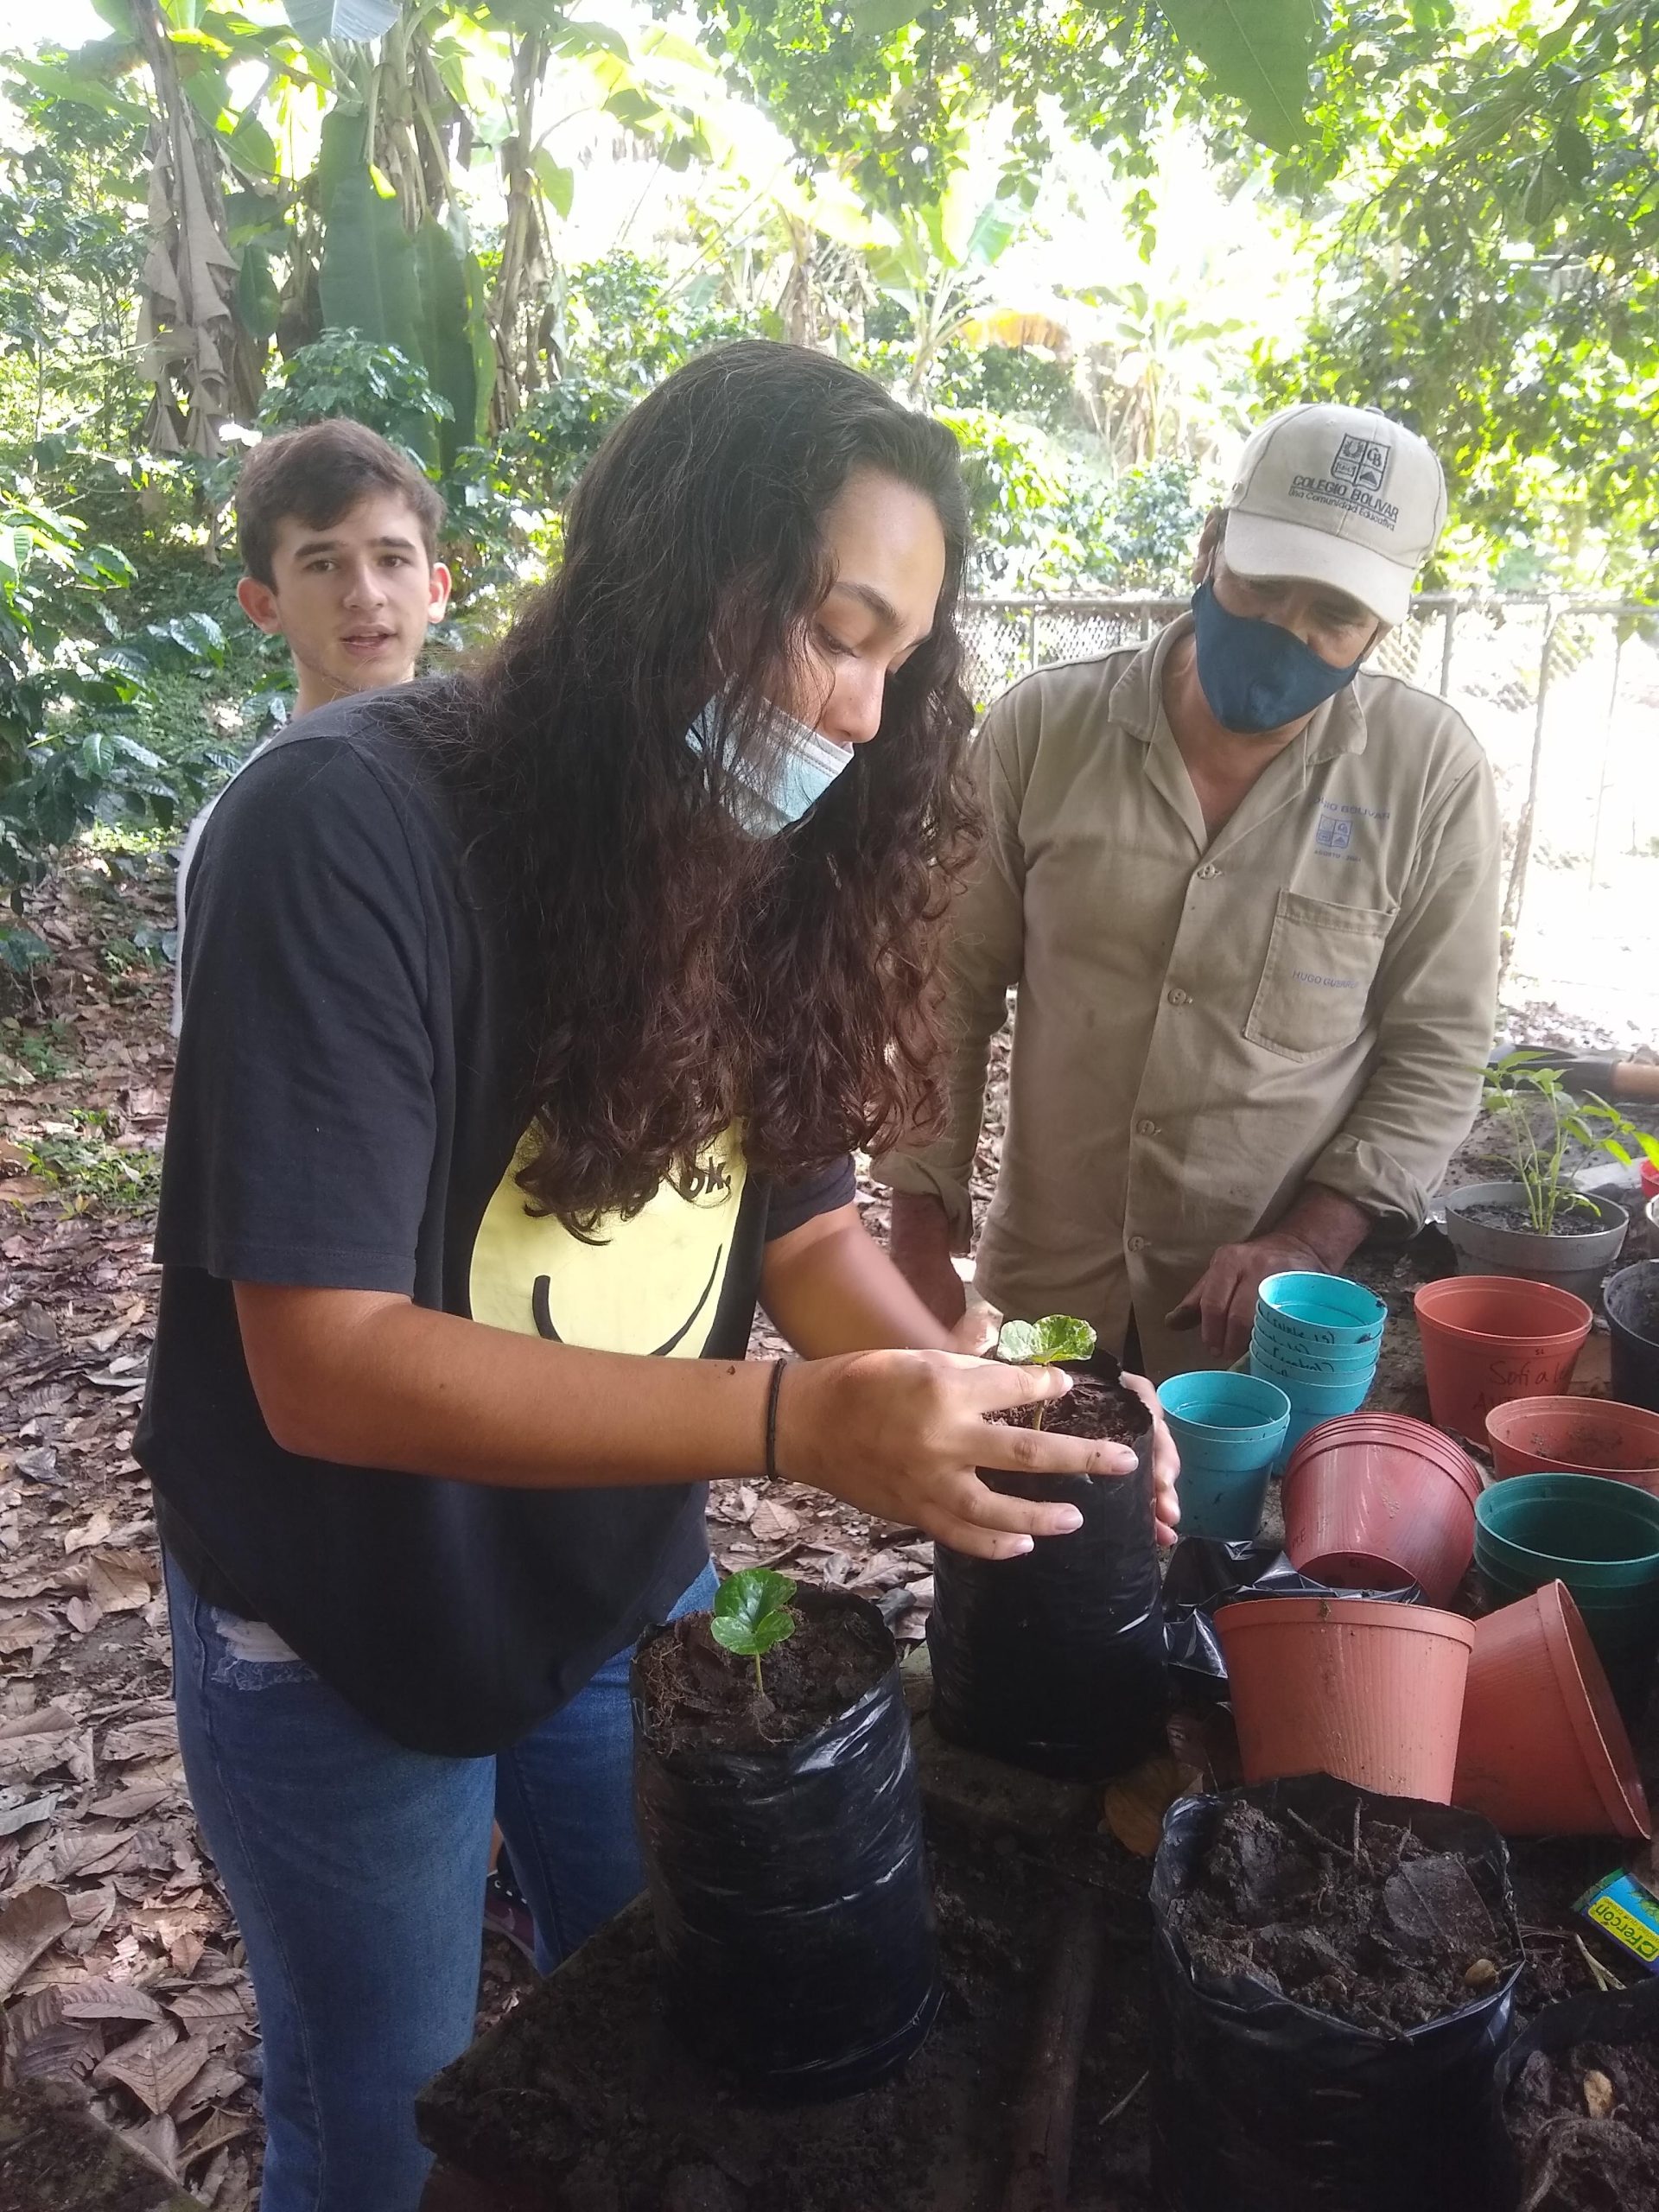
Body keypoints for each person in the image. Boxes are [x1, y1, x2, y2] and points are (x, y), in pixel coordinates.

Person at [137, 341, 1178, 2212]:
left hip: (620, 1590)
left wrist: (1002, 1405)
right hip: (348, 1623)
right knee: (387, 2115)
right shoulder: (346, 826)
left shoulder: (759, 854)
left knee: (647, 2020)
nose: (859, 713)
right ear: (672, 575)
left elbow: (795, 1231)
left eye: (898, 662)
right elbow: (326, 1360)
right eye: (834, 630)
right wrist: (800, 1421)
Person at [879, 400, 1502, 1378]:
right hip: (1045, 1302)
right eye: (1264, 585)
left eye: (1332, 615)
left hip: (1266, 1339)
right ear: (1210, 549)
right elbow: (941, 987)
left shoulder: (1431, 779)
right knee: (1011, 1528)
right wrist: (919, 1226)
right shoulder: (1042, 733)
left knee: (1241, 1538)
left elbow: (1439, 1049)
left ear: (1380, 628)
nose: (1286, 629)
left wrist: (1307, 1244)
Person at [168, 418, 451, 1032]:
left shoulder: (500, 782)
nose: (365, 594)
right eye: (324, 564)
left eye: (392, 558)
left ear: (435, 588)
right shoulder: (251, 827)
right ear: (263, 604)